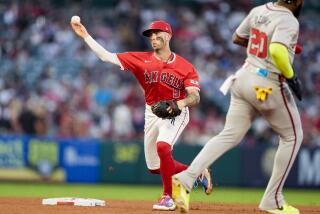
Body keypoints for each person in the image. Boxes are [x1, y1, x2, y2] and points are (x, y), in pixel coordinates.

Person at [172, 0, 304, 213]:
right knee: (293, 136)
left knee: (229, 134)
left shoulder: (259, 10)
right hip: (267, 82)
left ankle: (186, 178)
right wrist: (292, 76)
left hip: (243, 77)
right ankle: (273, 199)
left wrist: (269, 43)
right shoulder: (288, 20)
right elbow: (278, 51)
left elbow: (238, 38)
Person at [70, 19, 212, 211]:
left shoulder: (185, 66)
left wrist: (180, 103)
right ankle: (196, 173)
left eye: (157, 33)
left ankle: (167, 197)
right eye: (150, 35)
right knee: (154, 167)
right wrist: (85, 36)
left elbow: (195, 97)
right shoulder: (140, 59)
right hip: (152, 112)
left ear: (169, 35)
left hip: (176, 112)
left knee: (163, 147)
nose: (153, 37)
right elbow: (106, 57)